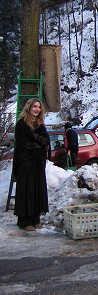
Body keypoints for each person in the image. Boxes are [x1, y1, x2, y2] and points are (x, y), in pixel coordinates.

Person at [13, 98, 50, 231]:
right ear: (29, 107)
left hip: (38, 163)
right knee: (26, 190)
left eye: (39, 107)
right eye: (34, 106)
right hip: (25, 162)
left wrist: (38, 142)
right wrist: (38, 142)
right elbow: (23, 144)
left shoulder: (40, 124)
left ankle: (35, 219)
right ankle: (25, 221)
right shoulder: (21, 124)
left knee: (36, 190)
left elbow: (46, 141)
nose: (37, 109)